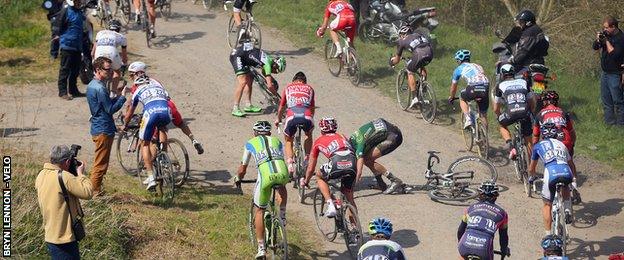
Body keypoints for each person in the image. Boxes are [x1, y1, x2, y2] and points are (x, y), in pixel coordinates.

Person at [233, 121, 290, 259]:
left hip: (265, 176)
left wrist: (237, 178)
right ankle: (282, 214)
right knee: (281, 185)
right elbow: (280, 158)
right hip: (282, 172)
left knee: (260, 210)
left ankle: (261, 248)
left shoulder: (250, 143)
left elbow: (243, 169)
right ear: (269, 133)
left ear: (254, 133)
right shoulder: (277, 141)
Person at [126, 61, 205, 154]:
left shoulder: (137, 85)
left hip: (156, 108)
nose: (130, 77)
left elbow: (130, 104)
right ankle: (193, 139)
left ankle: (161, 157)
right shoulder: (154, 81)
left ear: (138, 73)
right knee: (180, 124)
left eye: (131, 75)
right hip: (169, 105)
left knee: (153, 138)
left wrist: (126, 119)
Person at [35, 145, 93, 260]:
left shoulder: (41, 175)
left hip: (50, 235)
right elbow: (88, 192)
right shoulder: (65, 177)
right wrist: (80, 174)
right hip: (64, 238)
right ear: (67, 161)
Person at [86, 57, 127, 196]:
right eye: (107, 69)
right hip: (103, 129)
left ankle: (96, 190)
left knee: (101, 163)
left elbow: (105, 105)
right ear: (98, 69)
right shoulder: (100, 88)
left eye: (111, 69)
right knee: (100, 164)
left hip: (99, 127)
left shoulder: (93, 85)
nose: (110, 72)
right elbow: (110, 109)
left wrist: (116, 96)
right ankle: (94, 193)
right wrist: (122, 97)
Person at [123, 73, 171, 190]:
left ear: (137, 84)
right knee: (162, 128)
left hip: (151, 114)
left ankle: (151, 177)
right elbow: (168, 99)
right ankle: (164, 156)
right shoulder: (159, 87)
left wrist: (126, 124)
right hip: (166, 112)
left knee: (144, 143)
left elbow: (130, 112)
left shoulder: (138, 91)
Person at [301, 118, 357, 218]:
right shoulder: (342, 135)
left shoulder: (318, 141)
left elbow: (311, 168)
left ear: (321, 129)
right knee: (349, 198)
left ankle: (330, 204)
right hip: (352, 162)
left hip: (336, 162)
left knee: (319, 175)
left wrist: (306, 181)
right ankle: (355, 229)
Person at [528, 123, 576, 235]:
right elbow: (571, 164)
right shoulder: (562, 144)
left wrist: (532, 177)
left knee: (547, 204)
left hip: (551, 172)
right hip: (565, 170)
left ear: (542, 135)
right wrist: (573, 179)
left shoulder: (538, 146)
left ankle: (548, 235)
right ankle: (567, 209)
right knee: (565, 184)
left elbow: (532, 167)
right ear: (556, 134)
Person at [349, 118, 404, 194]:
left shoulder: (359, 147)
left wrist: (354, 182)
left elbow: (359, 170)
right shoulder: (353, 138)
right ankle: (381, 184)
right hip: (387, 128)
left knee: (367, 160)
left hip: (394, 136)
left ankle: (395, 180)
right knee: (366, 159)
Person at [457, 181, 510, 260]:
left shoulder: (470, 208)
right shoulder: (503, 214)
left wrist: (460, 244)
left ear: (480, 194)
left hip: (464, 245)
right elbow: (503, 237)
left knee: (462, 256)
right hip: (484, 249)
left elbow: (460, 230)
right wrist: (504, 250)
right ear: (496, 196)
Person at [229, 44, 286, 117]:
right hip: (237, 56)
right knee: (242, 81)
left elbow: (263, 72)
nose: (275, 72)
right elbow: (269, 86)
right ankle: (235, 108)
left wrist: (270, 79)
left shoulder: (269, 60)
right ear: (275, 65)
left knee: (250, 79)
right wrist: (279, 99)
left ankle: (248, 105)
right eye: (276, 70)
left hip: (244, 56)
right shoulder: (268, 64)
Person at [275, 71, 315, 173]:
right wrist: (311, 118)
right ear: (304, 81)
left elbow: (281, 108)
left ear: (293, 81)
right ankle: (306, 158)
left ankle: (290, 163)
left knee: (288, 139)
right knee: (308, 135)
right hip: (306, 115)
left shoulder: (288, 88)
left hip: (291, 116)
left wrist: (278, 119)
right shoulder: (310, 88)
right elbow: (312, 107)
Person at [493, 64, 535, 159]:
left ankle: (510, 146)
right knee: (528, 140)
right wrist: (530, 112)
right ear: (514, 73)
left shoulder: (499, 86)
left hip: (510, 113)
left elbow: (496, 109)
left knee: (502, 125)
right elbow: (531, 102)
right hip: (525, 113)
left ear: (502, 75)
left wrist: (499, 115)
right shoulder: (524, 82)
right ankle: (532, 170)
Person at [533, 90, 577, 178]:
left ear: (544, 102)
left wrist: (536, 148)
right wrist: (572, 145)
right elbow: (572, 132)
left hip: (551, 144)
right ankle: (574, 182)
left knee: (550, 161)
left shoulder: (539, 115)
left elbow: (535, 135)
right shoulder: (563, 112)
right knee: (570, 161)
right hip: (565, 142)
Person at [390, 25, 433, 108]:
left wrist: (391, 62)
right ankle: (423, 86)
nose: (400, 37)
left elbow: (397, 60)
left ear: (403, 34)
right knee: (421, 64)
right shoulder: (418, 35)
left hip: (418, 54)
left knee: (410, 71)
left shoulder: (402, 41)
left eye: (400, 35)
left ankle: (414, 98)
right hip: (430, 52)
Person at [592, 16, 624, 126]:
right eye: (603, 27)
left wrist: (606, 42)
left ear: (613, 27)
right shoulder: (606, 35)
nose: (604, 29)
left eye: (606, 28)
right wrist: (598, 39)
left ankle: (620, 125)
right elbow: (595, 47)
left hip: (615, 73)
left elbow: (615, 54)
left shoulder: (620, 38)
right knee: (606, 101)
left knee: (618, 101)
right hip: (605, 73)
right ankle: (609, 124)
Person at [447, 49, 490, 129]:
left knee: (462, 96)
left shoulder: (458, 69)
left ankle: (468, 119)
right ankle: (485, 137)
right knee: (483, 115)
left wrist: (452, 97)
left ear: (459, 61)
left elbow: (453, 87)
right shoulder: (478, 66)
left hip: (473, 86)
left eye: (457, 61)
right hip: (485, 86)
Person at [52, 0, 86, 100]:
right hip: (67, 45)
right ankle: (62, 92)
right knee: (65, 69)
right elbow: (57, 28)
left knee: (75, 70)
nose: (79, 3)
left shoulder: (79, 12)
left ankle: (73, 90)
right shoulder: (65, 11)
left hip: (77, 46)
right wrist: (54, 49)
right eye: (77, 1)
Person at [91, 20, 128, 92]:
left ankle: (97, 86)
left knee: (99, 71)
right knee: (117, 71)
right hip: (112, 52)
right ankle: (113, 91)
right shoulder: (121, 37)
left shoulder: (100, 33)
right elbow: (124, 55)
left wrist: (93, 61)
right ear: (119, 29)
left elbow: (92, 52)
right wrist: (124, 64)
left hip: (99, 52)